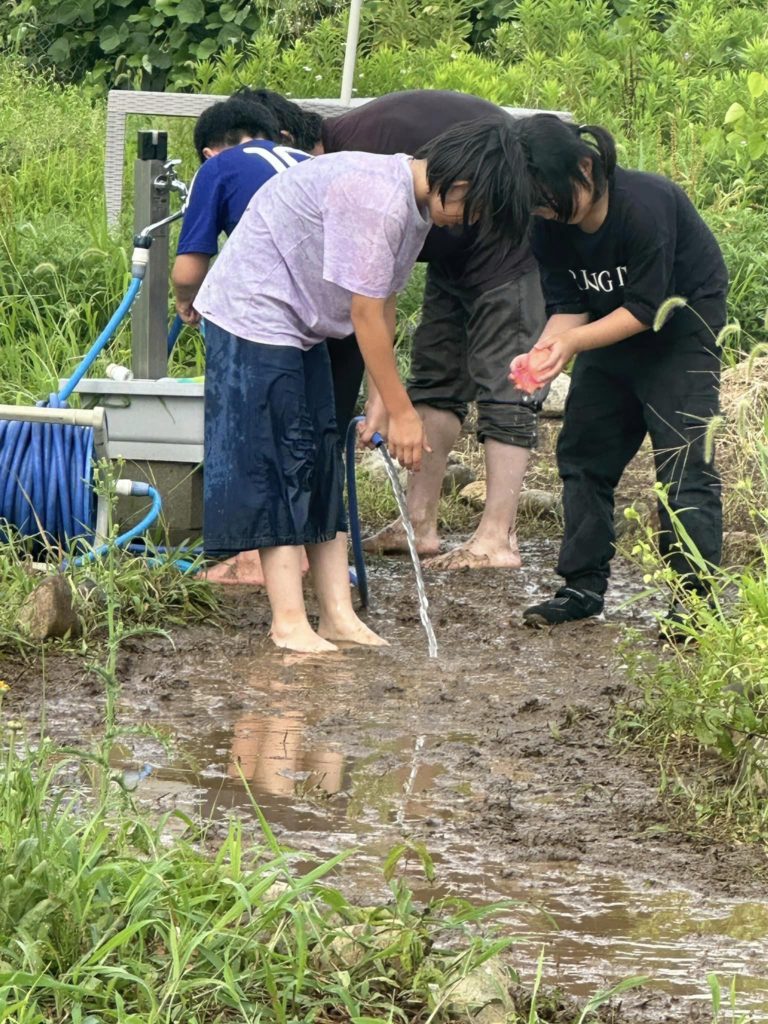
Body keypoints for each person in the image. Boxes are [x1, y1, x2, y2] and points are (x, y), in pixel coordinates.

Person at [193, 117, 530, 653]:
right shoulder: (376, 198)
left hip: (303, 324)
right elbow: (365, 314)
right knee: (280, 460)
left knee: (322, 456)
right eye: (475, 208)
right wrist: (403, 412)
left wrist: (380, 398)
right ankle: (288, 622)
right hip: (253, 313)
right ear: (460, 182)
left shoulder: (414, 207)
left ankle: (337, 614)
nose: (470, 222)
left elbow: (385, 300)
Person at [237, 88, 547, 570]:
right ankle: (417, 524)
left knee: (505, 377)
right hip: (452, 247)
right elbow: (378, 288)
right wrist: (384, 396)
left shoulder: (359, 160)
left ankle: (496, 537)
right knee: (436, 375)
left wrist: (394, 406)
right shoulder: (363, 173)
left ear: (288, 139)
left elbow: (367, 305)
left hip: (506, 244)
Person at [510, 115, 727, 632]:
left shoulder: (647, 204)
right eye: (534, 203)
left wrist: (572, 342)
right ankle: (582, 587)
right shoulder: (549, 226)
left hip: (681, 332)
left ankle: (694, 603)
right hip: (608, 333)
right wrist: (544, 352)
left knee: (684, 464)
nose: (543, 210)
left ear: (585, 168)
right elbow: (569, 306)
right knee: (583, 454)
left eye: (547, 197)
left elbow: (647, 310)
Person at [170, 97, 311, 586]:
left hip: (268, 319)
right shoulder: (306, 160)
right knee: (308, 436)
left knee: (252, 432)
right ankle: (307, 553)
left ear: (208, 151)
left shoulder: (219, 167)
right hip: (337, 313)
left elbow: (188, 268)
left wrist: (185, 300)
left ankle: (251, 559)